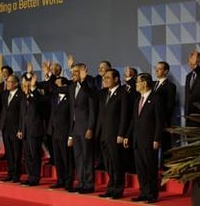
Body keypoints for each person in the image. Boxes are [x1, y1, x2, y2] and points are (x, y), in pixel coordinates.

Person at [124, 73, 163, 204]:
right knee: (140, 168)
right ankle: (143, 192)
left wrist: (157, 138)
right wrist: (127, 136)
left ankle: (152, 194)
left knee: (150, 168)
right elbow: (133, 120)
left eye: (137, 82)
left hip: (149, 140)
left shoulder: (156, 98)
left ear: (145, 83)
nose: (136, 84)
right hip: (137, 140)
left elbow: (159, 121)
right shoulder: (137, 100)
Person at [96, 69, 130, 199]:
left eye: (108, 78)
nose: (105, 80)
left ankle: (118, 189)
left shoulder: (123, 93)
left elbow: (124, 116)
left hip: (115, 135)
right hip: (104, 135)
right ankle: (110, 188)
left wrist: (121, 133)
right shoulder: (104, 93)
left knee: (117, 163)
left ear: (116, 79)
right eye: (104, 78)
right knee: (108, 164)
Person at [67, 63, 96, 194]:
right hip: (75, 128)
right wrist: (70, 134)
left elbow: (92, 110)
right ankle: (81, 182)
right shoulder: (72, 87)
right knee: (78, 157)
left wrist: (90, 127)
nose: (72, 74)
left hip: (85, 128)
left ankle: (89, 184)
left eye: (75, 72)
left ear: (83, 73)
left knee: (87, 156)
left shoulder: (90, 85)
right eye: (72, 72)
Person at [17, 73, 45, 186]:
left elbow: (37, 106)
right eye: (24, 85)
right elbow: (21, 115)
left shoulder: (37, 96)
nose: (25, 87)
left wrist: (32, 91)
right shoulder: (23, 98)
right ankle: (30, 176)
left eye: (27, 85)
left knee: (35, 155)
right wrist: (20, 129)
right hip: (25, 131)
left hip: (35, 130)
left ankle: (35, 177)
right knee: (27, 156)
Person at [47, 77, 74, 190]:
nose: (55, 87)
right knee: (57, 159)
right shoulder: (54, 98)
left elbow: (72, 118)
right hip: (54, 133)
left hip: (65, 133)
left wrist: (70, 135)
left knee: (66, 159)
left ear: (64, 86)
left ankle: (68, 182)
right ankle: (60, 180)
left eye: (57, 84)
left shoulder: (70, 99)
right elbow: (49, 89)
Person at [0, 74, 23, 183]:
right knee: (8, 152)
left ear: (16, 83)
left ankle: (16, 174)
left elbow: (22, 114)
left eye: (10, 82)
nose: (7, 83)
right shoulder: (5, 94)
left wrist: (20, 129)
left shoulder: (21, 95)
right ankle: (10, 172)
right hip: (6, 127)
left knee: (16, 152)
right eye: (7, 81)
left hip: (16, 128)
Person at [153, 61, 176, 162]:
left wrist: (163, 120)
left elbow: (169, 106)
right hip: (152, 121)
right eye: (156, 68)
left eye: (160, 69)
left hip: (163, 121)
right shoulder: (153, 84)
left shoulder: (170, 86)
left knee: (165, 146)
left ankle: (166, 170)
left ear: (166, 71)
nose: (156, 70)